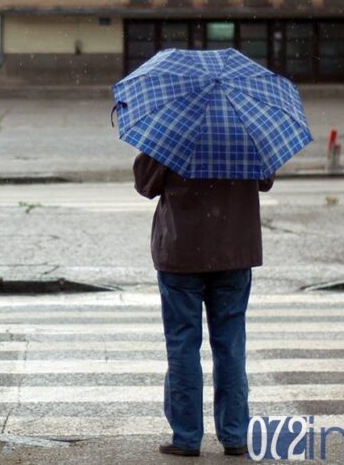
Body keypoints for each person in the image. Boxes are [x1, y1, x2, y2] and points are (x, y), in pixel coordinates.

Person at [133, 152, 274, 458]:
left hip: (181, 251)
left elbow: (145, 184)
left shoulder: (172, 130)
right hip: (234, 250)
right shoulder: (244, 128)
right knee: (231, 346)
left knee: (182, 344)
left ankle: (186, 437)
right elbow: (265, 180)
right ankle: (234, 434)